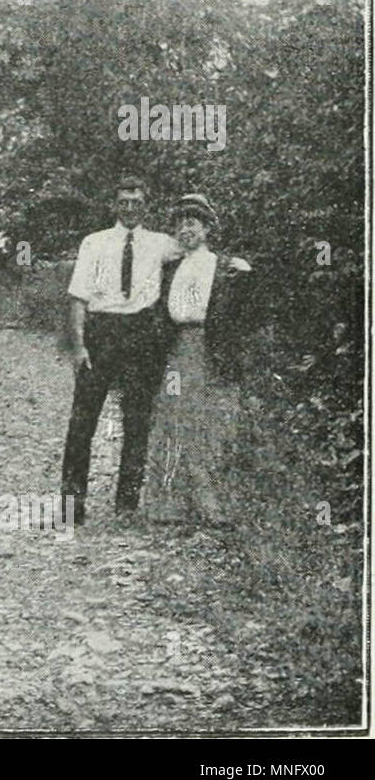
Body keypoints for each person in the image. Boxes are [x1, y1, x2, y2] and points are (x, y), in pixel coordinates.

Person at [60, 175, 181, 525]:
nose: (130, 208)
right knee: (83, 421)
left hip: (141, 336)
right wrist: (79, 346)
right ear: (114, 205)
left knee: (137, 421)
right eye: (124, 202)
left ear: (146, 206)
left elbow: (196, 248)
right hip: (102, 332)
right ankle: (71, 505)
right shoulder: (94, 243)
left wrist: (231, 262)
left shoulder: (161, 243)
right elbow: (78, 298)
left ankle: (126, 506)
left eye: (137, 202)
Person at [143, 194, 252, 526]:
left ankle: (210, 505)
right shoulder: (170, 266)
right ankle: (168, 505)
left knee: (207, 422)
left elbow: (246, 309)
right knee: (173, 415)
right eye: (179, 223)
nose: (184, 229)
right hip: (178, 347)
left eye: (191, 223)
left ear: (206, 228)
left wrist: (246, 275)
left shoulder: (223, 266)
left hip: (209, 346)